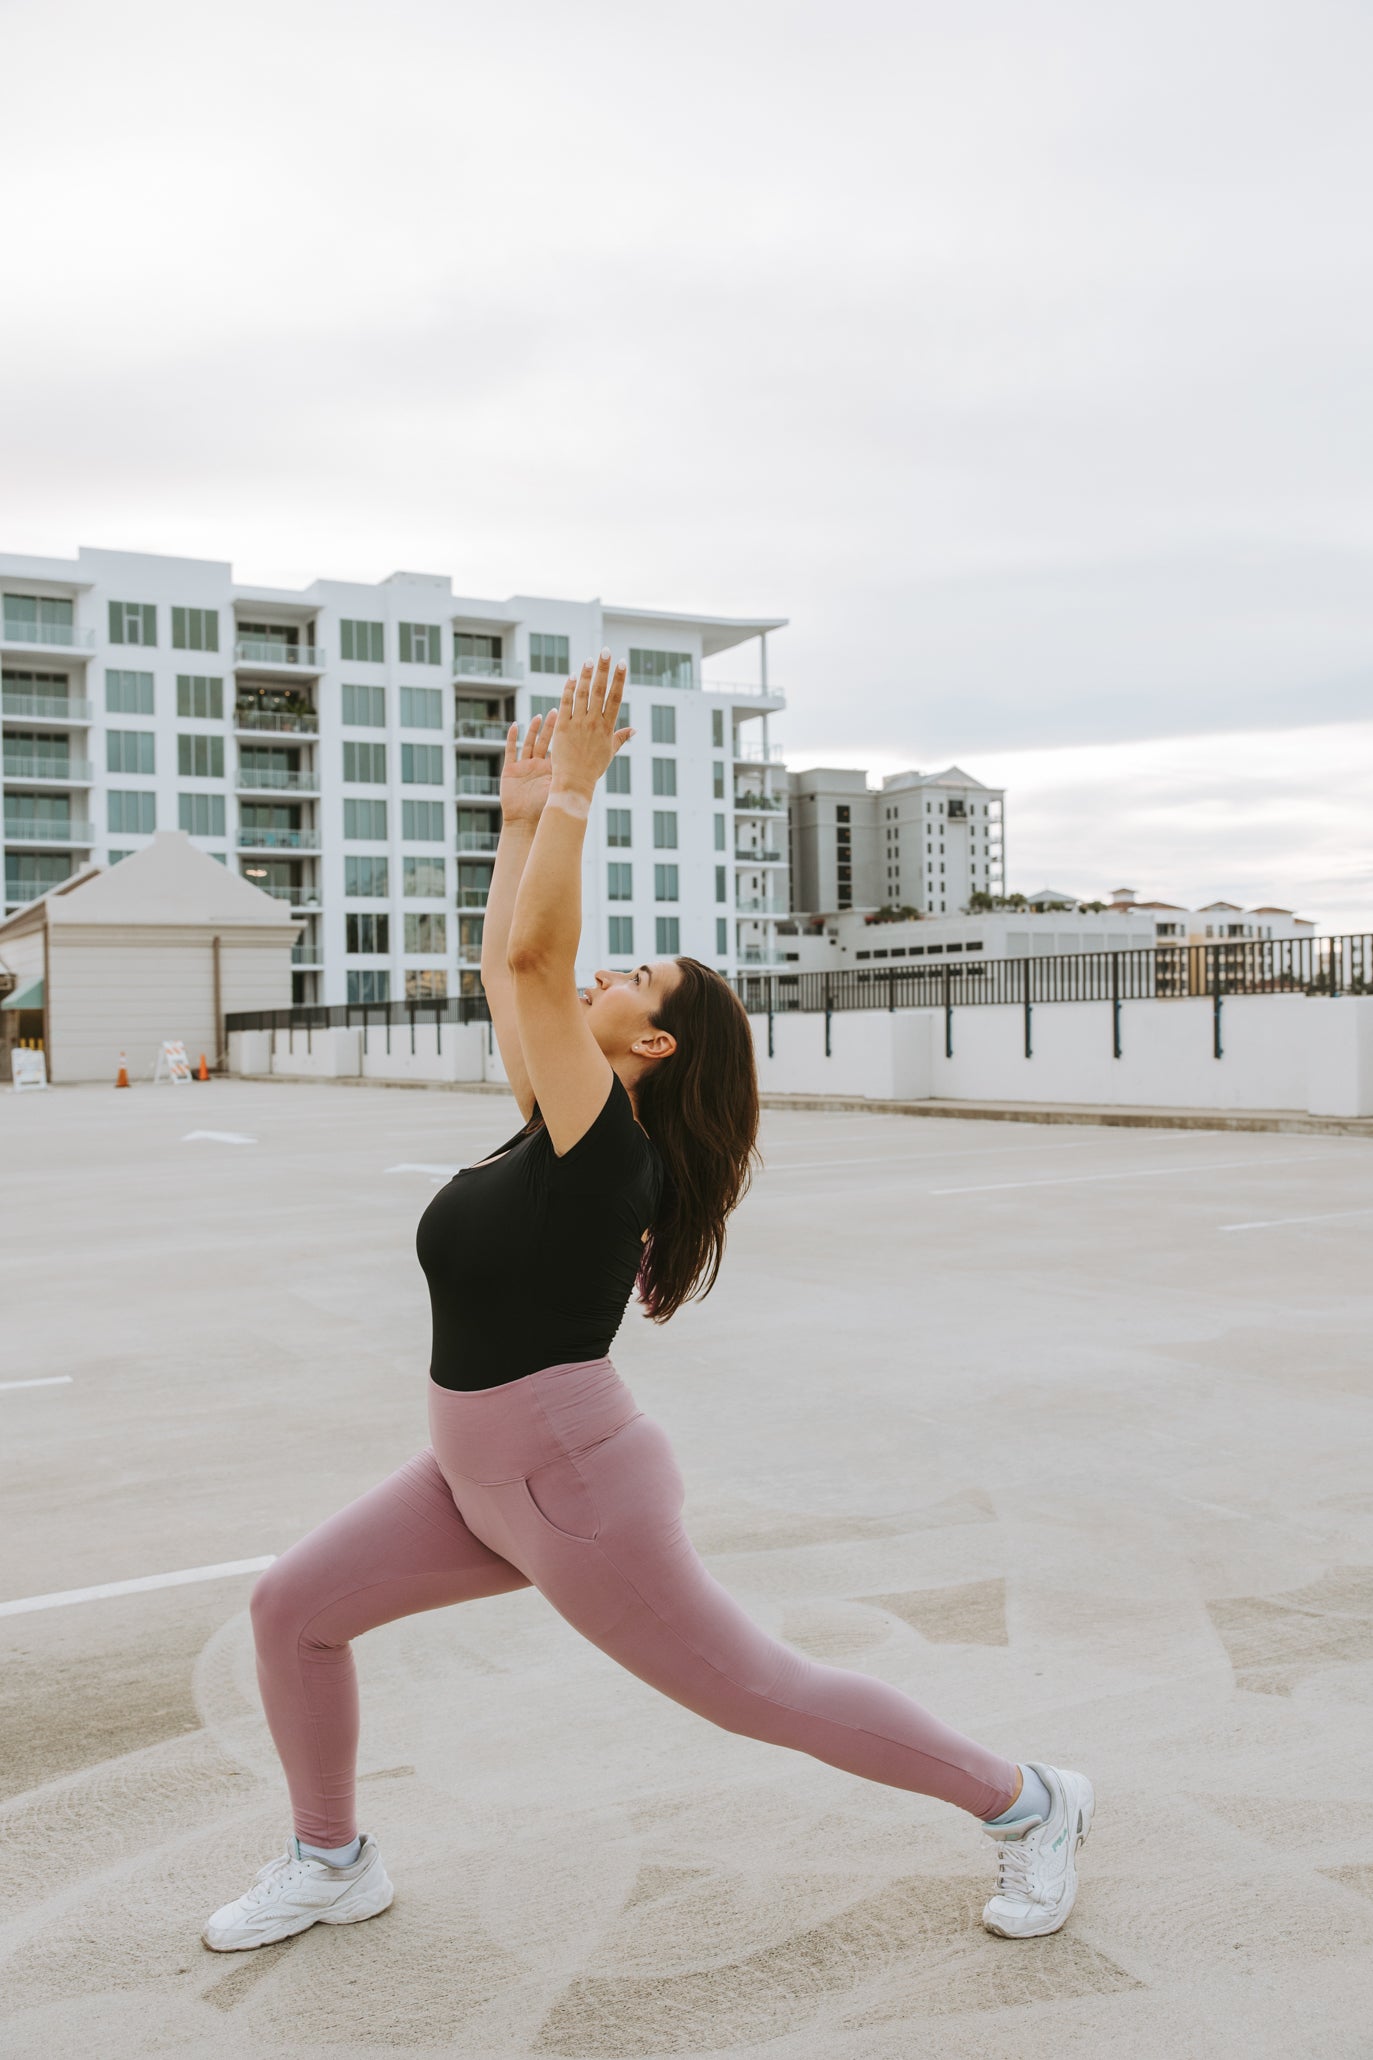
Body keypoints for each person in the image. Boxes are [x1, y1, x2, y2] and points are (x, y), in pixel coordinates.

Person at [202, 650, 1094, 1954]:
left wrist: (571, 801)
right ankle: (330, 1857)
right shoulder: (553, 1125)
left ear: (651, 1045)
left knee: (753, 1693)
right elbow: (514, 969)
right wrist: (517, 819)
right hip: (471, 1475)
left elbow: (528, 954)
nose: (600, 975)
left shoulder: (603, 1148)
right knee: (292, 1610)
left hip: (573, 1486)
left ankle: (1028, 1803)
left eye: (631, 981)